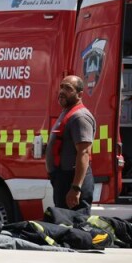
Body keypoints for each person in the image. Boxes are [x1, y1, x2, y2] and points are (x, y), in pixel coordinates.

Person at [45, 75, 96, 212]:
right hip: (63, 179)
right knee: (62, 226)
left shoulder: (80, 117)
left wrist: (76, 188)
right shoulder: (66, 113)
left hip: (72, 180)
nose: (62, 91)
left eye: (68, 88)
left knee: (76, 229)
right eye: (61, 87)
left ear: (79, 94)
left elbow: (84, 152)